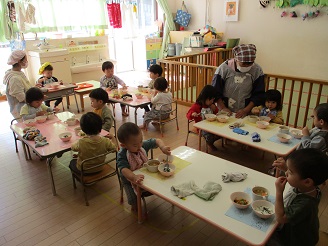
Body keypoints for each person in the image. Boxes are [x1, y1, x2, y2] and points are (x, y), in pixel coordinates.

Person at [270, 148, 328, 246]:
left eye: (290, 172)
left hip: (297, 239)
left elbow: (281, 218)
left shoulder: (306, 203)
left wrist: (279, 192)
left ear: (307, 182)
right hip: (302, 230)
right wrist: (287, 169)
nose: (287, 173)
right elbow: (298, 177)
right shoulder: (311, 188)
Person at [117, 122, 171, 210]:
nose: (139, 146)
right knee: (133, 201)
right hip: (129, 179)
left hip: (143, 172)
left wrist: (163, 147)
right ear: (124, 145)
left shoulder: (141, 145)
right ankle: (135, 208)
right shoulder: (122, 154)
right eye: (135, 145)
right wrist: (134, 177)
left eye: (141, 141)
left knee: (162, 182)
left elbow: (157, 140)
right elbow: (124, 170)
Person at [211, 44, 265, 118]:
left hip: (247, 110)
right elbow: (215, 91)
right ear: (236, 59)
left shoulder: (257, 70)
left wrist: (246, 110)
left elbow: (258, 93)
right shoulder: (224, 69)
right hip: (225, 108)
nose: (247, 66)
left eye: (250, 63)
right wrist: (223, 108)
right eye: (243, 63)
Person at [273, 103, 328, 173]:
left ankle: (287, 172)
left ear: (321, 121)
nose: (312, 118)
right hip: (300, 152)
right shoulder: (319, 128)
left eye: (314, 117)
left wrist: (305, 135)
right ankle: (282, 169)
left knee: (286, 156)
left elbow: (308, 148)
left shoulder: (322, 137)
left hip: (306, 160)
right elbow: (311, 133)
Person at [186, 85, 220, 151]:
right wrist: (193, 114)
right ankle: (210, 143)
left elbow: (216, 114)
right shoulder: (196, 106)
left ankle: (210, 141)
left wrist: (215, 109)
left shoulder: (210, 105)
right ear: (206, 98)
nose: (213, 101)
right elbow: (188, 115)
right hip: (201, 128)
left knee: (220, 131)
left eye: (213, 99)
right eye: (211, 99)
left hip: (211, 125)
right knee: (208, 135)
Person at [3, 50, 32, 118]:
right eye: (25, 59)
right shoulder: (14, 78)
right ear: (19, 61)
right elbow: (21, 98)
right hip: (21, 111)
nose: (27, 61)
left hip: (26, 107)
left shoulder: (18, 73)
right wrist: (37, 99)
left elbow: (25, 87)